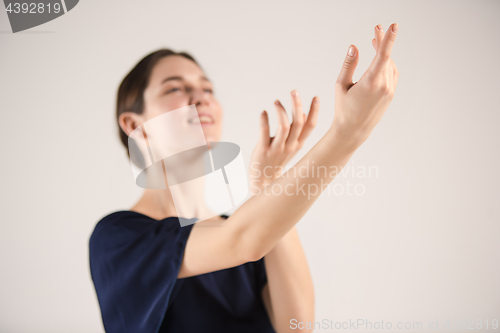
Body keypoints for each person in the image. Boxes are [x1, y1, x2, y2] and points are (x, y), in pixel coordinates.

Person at [89, 23, 399, 333]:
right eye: (175, 88)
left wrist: (268, 183)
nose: (201, 97)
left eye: (208, 89)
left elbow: (297, 327)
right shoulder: (118, 238)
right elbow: (242, 241)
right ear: (133, 123)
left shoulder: (253, 228)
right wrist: (347, 133)